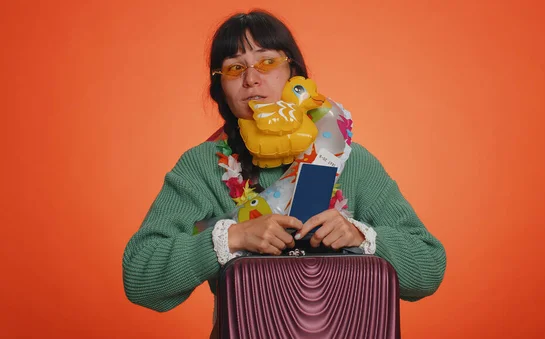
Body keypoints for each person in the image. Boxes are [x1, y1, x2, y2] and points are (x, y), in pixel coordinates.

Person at [123, 9, 446, 318]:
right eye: (235, 68)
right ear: (221, 87)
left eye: (267, 62)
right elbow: (140, 278)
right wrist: (232, 237)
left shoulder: (348, 159)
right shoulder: (203, 165)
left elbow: (428, 268)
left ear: (294, 74)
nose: (251, 79)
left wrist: (360, 237)